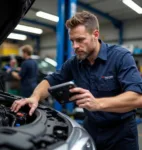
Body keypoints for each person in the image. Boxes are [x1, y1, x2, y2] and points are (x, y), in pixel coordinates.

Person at [11, 11, 142, 150]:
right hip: (91, 129)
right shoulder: (75, 62)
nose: (74, 46)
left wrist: (98, 103)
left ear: (95, 35)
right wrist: (34, 97)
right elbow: (51, 80)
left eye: (80, 40)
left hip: (121, 134)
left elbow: (138, 98)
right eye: (72, 41)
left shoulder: (120, 57)